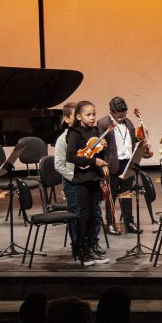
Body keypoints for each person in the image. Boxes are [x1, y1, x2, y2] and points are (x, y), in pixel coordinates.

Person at [54, 103, 104, 260]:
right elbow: (59, 165)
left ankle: (92, 244)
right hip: (74, 181)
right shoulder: (64, 139)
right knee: (78, 216)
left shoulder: (89, 135)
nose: (91, 117)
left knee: (95, 213)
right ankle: (78, 248)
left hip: (88, 178)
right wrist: (76, 177)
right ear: (68, 119)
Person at [64, 101, 110, 266]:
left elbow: (99, 153)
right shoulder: (74, 133)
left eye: (94, 114)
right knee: (83, 215)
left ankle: (91, 247)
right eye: (88, 115)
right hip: (82, 180)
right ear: (78, 116)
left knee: (94, 214)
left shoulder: (96, 130)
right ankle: (83, 252)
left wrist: (102, 148)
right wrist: (93, 161)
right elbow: (70, 157)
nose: (92, 118)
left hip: (95, 178)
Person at [98, 96, 152, 235]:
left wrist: (143, 146)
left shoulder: (128, 123)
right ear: (112, 111)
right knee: (112, 196)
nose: (122, 114)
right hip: (112, 164)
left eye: (124, 111)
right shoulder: (103, 123)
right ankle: (110, 223)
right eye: (119, 111)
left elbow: (133, 141)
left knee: (126, 195)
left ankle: (129, 222)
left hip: (128, 163)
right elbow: (99, 147)